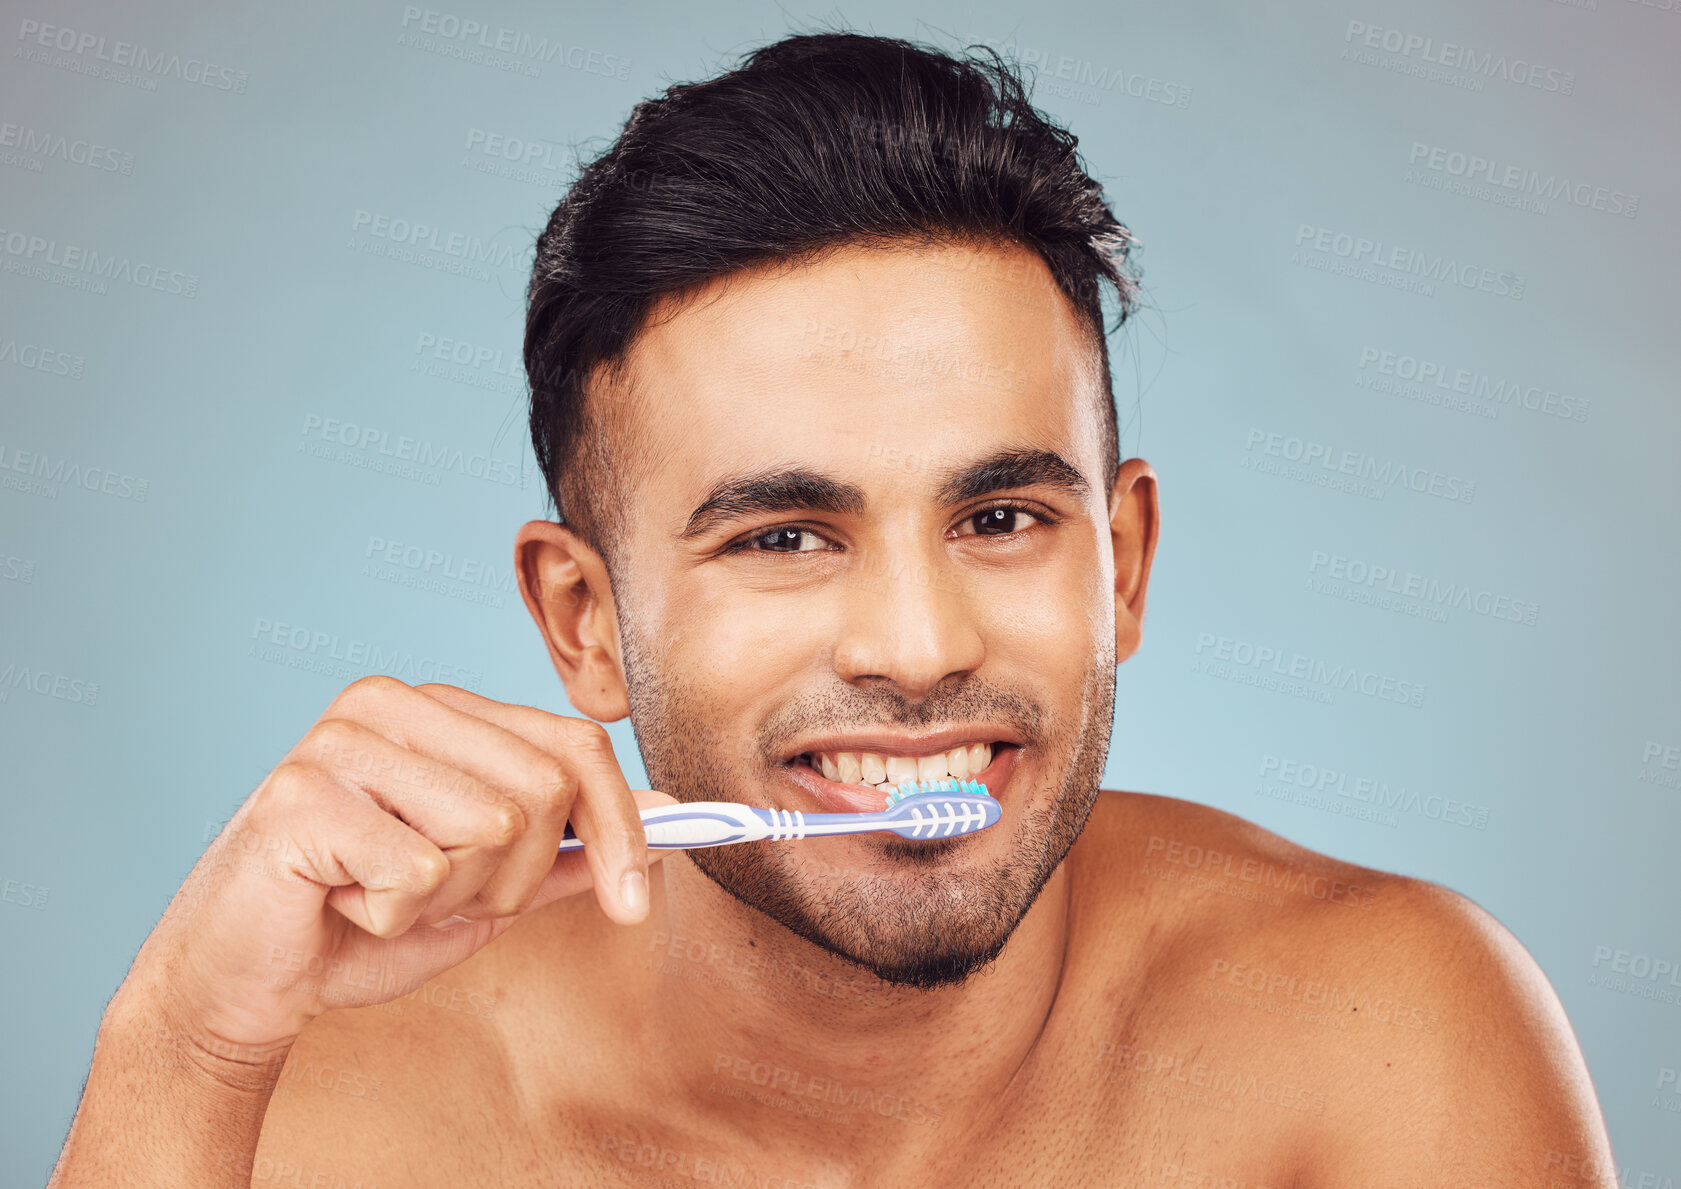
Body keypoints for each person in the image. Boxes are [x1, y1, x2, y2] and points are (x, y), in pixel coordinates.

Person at [50, 31, 1615, 1188]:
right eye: (786, 536)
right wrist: (182, 1041)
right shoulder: (328, 1122)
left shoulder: (1392, 1038)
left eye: (1000, 517)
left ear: (1121, 563)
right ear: (583, 620)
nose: (921, 647)